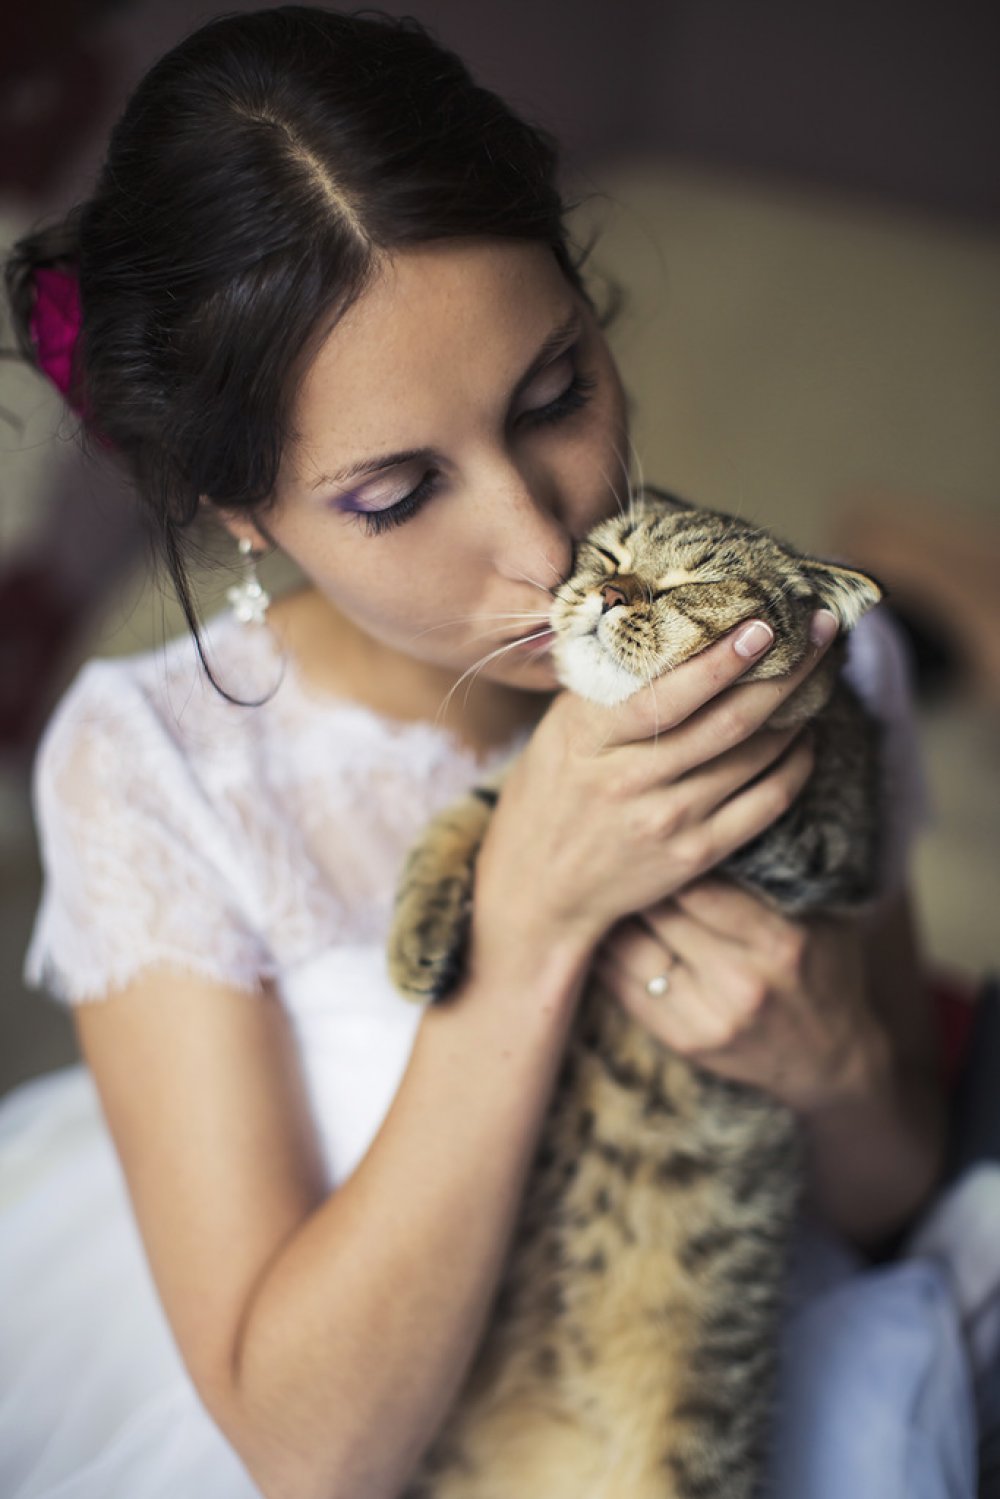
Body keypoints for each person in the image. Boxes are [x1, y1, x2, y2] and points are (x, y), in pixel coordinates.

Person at [0, 8, 979, 1497]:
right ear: (243, 511)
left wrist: (833, 1067)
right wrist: (523, 921)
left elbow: (893, 1198)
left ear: (588, 305)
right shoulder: (152, 770)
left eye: (556, 396)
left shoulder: (794, 659)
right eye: (398, 496)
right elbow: (310, 1455)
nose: (541, 547)